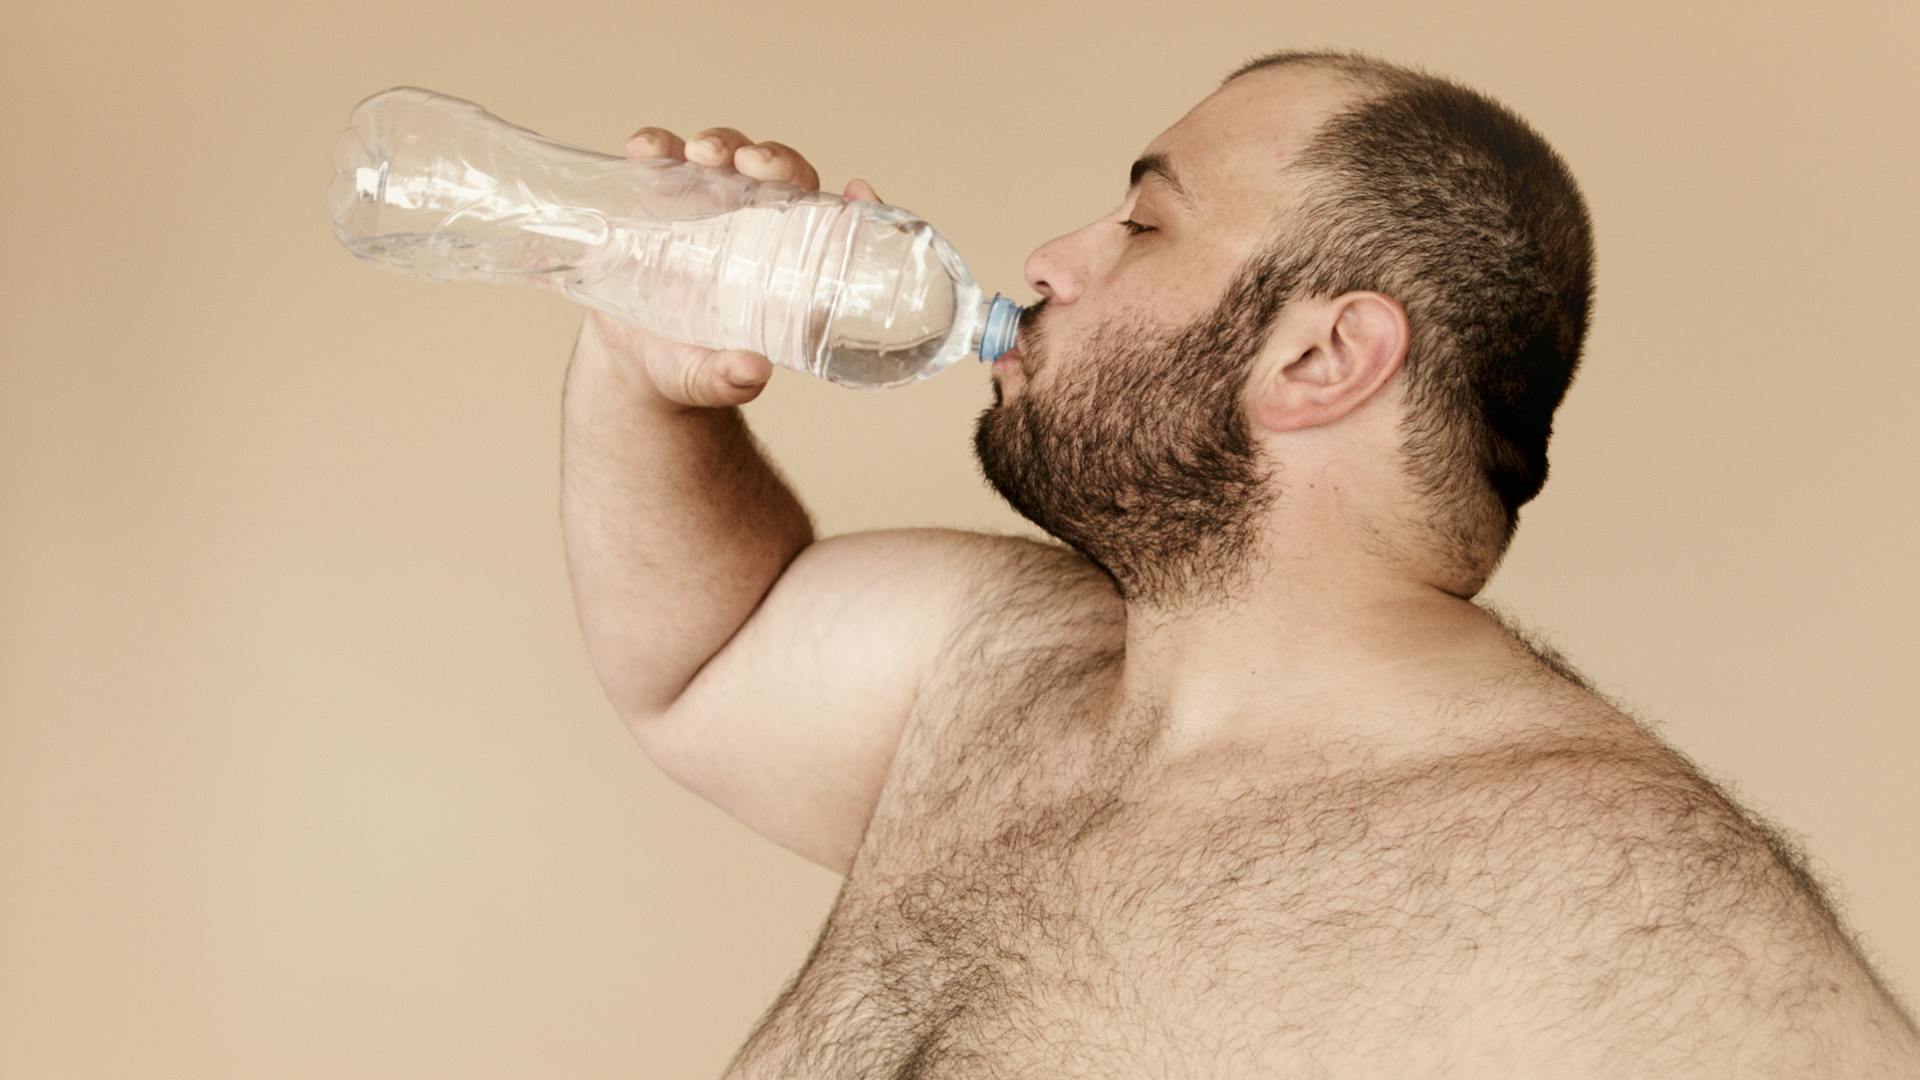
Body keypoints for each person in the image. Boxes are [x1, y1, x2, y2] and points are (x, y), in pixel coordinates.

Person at [558, 48, 1920, 1077]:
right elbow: (699, 660)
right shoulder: (1003, 662)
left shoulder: (1608, 890)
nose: (1053, 258)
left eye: (1143, 224)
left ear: (1324, 358)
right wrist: (646, 363)